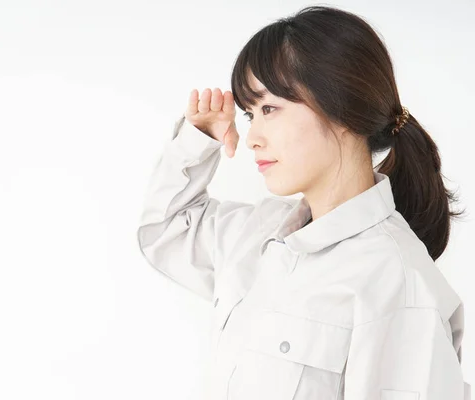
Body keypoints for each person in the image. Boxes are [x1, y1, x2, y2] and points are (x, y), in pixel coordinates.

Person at [136, 5, 470, 399]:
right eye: (249, 114)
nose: (252, 137)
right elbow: (165, 230)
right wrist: (198, 140)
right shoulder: (256, 234)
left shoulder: (401, 286)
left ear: (341, 106)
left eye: (270, 109)